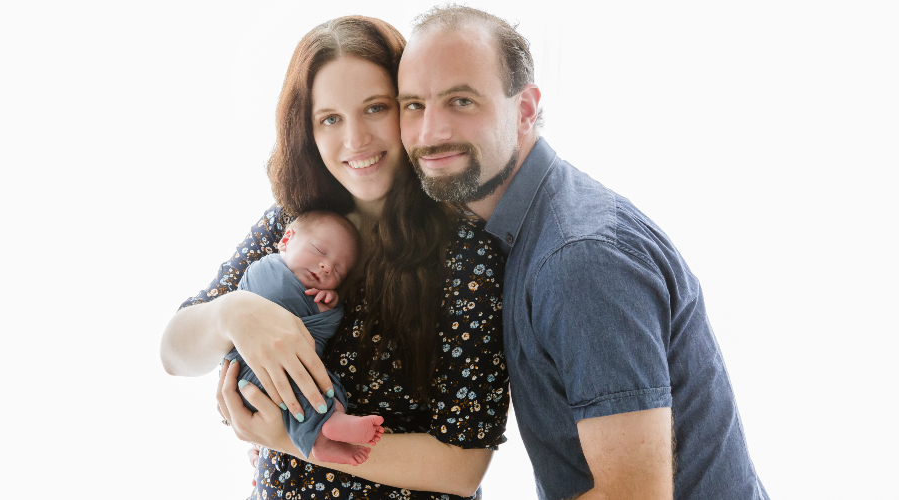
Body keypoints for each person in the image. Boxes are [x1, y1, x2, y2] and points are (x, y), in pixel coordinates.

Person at [395, 5, 769, 500]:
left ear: (525, 109)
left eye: (461, 101)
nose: (430, 132)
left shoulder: (578, 261)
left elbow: (632, 496)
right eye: (413, 105)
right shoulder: (520, 224)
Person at [160, 15, 509, 500]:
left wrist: (287, 440)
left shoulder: (465, 255)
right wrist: (232, 313)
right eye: (330, 118)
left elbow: (462, 466)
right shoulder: (293, 224)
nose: (355, 140)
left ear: (409, 107)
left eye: (375, 108)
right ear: (307, 129)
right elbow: (174, 353)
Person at [221, 210, 385, 466]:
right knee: (299, 382)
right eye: (320, 251)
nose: (327, 267)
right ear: (286, 240)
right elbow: (272, 301)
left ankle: (329, 429)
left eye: (338, 272)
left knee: (325, 386)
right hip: (250, 369)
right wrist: (311, 306)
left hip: (281, 385)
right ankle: (324, 431)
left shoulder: (317, 294)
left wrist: (330, 309)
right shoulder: (268, 268)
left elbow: (318, 334)